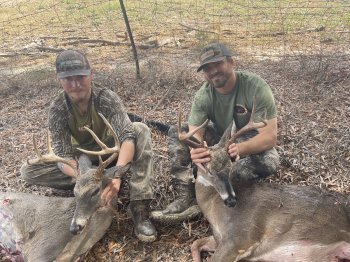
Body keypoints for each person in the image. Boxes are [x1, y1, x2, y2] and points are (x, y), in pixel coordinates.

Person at [20, 49, 157, 242]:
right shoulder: (58, 108)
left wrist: (117, 175)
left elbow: (126, 136)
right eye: (68, 79)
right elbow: (62, 154)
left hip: (111, 158)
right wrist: (83, 176)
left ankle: (140, 206)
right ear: (59, 79)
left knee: (140, 129)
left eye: (80, 77)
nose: (75, 85)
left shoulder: (106, 98)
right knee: (28, 171)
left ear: (91, 73)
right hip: (81, 164)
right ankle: (91, 187)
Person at [151, 42, 279, 223]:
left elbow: (269, 137)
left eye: (217, 64)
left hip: (246, 144)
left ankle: (217, 198)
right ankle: (185, 195)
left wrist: (239, 149)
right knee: (178, 133)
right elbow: (195, 132)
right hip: (220, 141)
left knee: (264, 163)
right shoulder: (203, 96)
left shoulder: (255, 87)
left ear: (231, 62)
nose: (213, 72)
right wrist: (197, 151)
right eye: (207, 68)